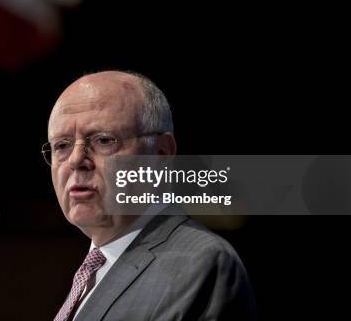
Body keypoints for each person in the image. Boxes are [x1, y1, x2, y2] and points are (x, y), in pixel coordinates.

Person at [43, 71, 256, 320]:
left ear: (162, 153)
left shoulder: (197, 262)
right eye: (62, 145)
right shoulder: (94, 270)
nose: (76, 160)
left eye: (103, 140)